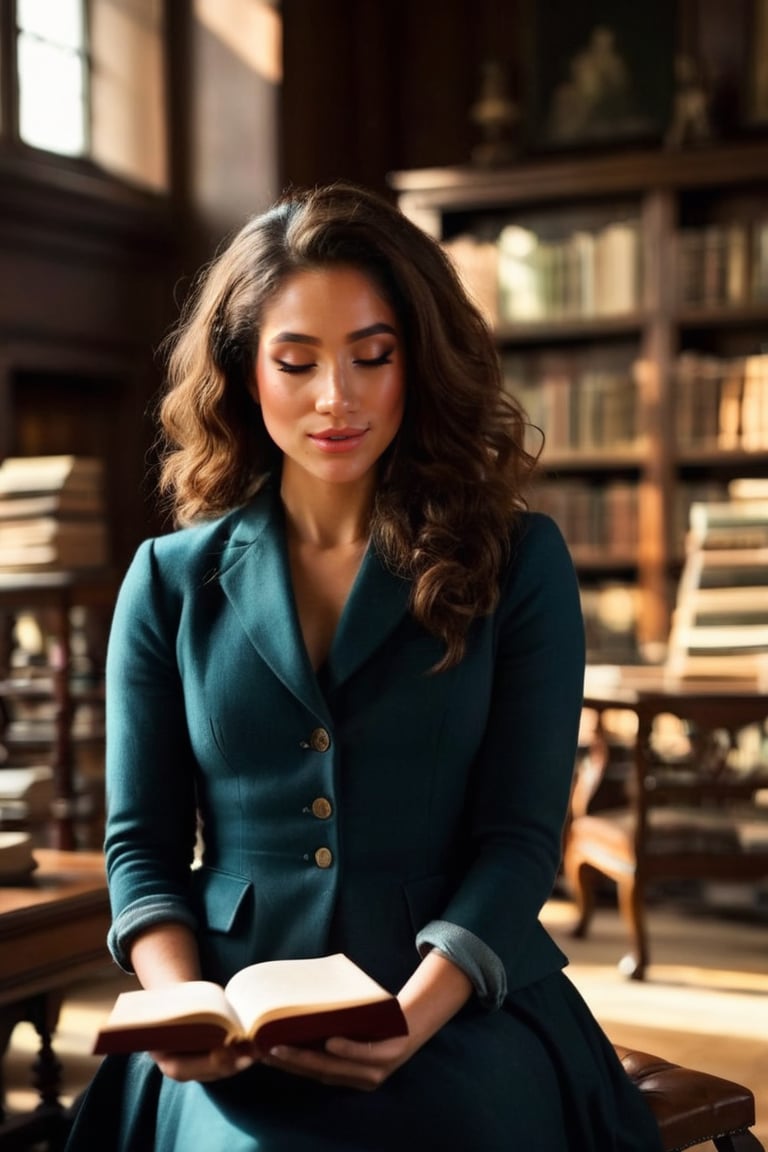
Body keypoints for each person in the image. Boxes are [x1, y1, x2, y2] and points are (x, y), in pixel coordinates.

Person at [65, 182, 663, 1151]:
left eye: (371, 358)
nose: (335, 397)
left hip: (456, 995)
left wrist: (410, 1020)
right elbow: (142, 850)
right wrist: (183, 1013)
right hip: (233, 1005)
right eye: (296, 362)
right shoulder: (169, 580)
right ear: (243, 373)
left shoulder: (519, 563)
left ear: (416, 364)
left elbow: (521, 843)